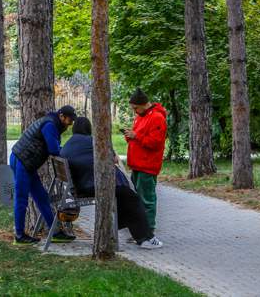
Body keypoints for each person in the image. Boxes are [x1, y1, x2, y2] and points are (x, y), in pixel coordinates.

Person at [61, 117, 163, 249]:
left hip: (79, 186)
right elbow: (114, 158)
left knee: (124, 196)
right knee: (132, 198)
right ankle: (146, 238)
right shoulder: (92, 142)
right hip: (92, 187)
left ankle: (121, 226)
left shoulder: (69, 143)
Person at [10, 105, 78, 245]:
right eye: (69, 121)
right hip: (22, 160)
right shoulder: (50, 125)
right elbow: (54, 149)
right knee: (21, 198)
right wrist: (70, 152)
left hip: (28, 162)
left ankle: (55, 232)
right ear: (61, 116)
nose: (70, 124)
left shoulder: (53, 124)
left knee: (42, 197)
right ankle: (19, 235)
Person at [123, 88, 166, 236]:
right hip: (137, 164)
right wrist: (130, 135)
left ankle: (148, 230)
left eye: (135, 108)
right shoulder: (141, 116)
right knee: (139, 199)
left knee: (147, 199)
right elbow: (139, 135)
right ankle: (141, 229)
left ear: (143, 104)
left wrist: (136, 136)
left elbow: (156, 143)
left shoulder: (157, 118)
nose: (134, 111)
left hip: (147, 165)